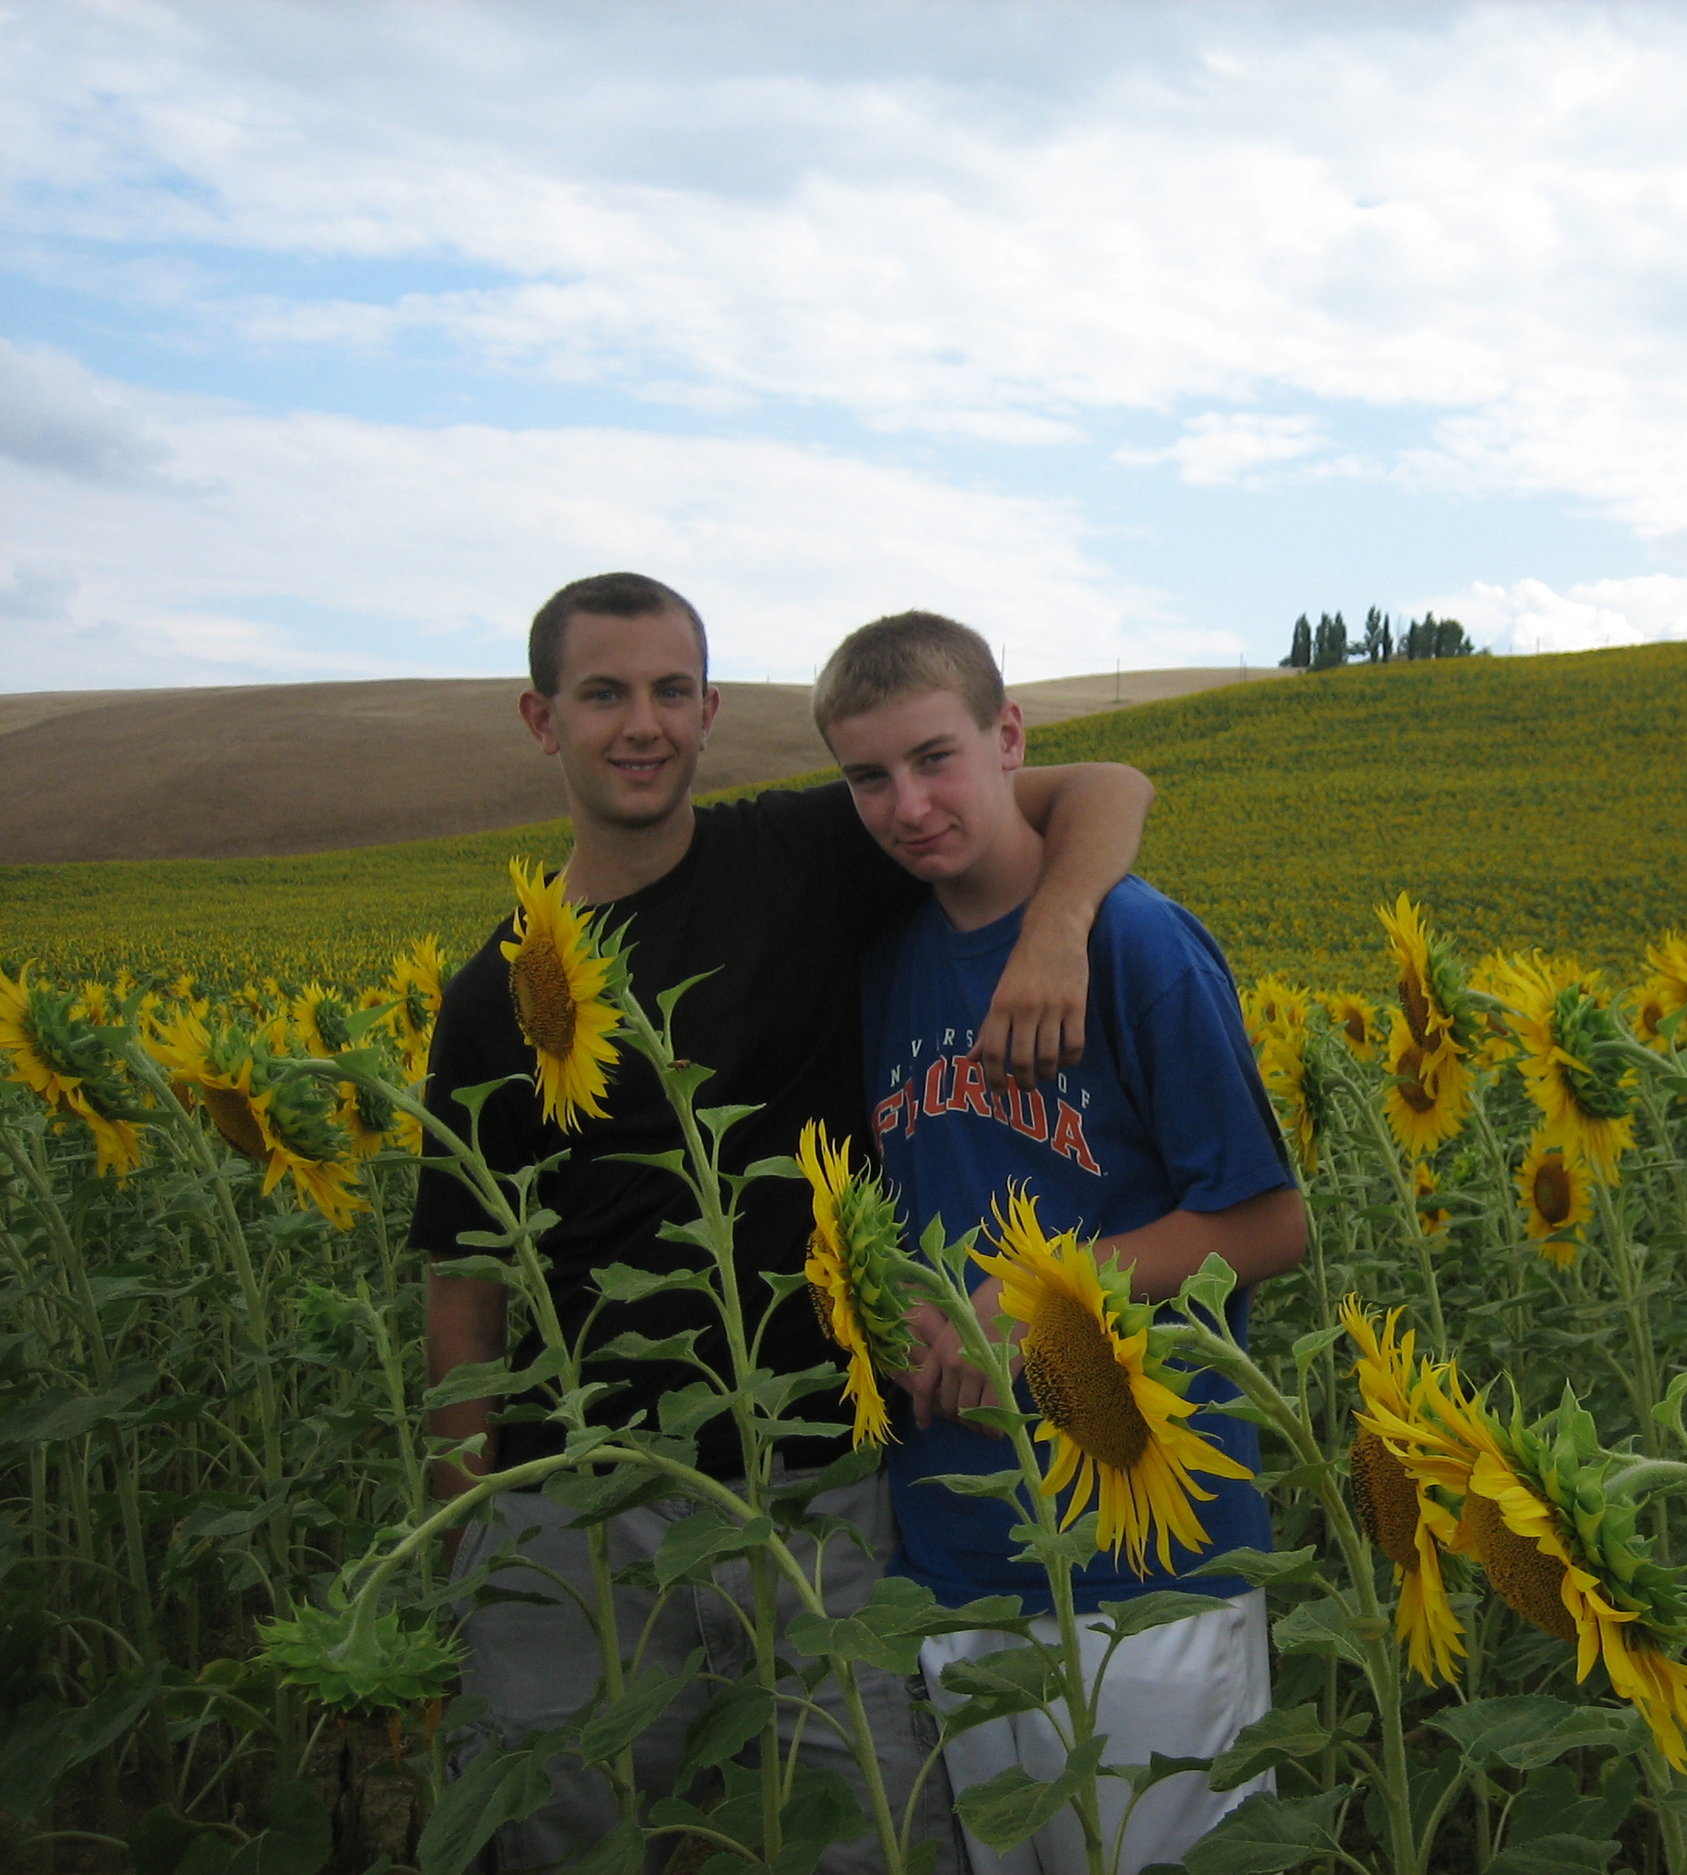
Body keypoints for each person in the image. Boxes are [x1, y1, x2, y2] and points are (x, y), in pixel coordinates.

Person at [416, 572, 1155, 1875]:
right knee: (557, 1823)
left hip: (822, 1476)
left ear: (707, 709)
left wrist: (1060, 923)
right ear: (543, 719)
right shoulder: (497, 993)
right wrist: (462, 1537)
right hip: (583, 1496)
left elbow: (1105, 787)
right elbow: (464, 1288)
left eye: (669, 690)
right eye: (604, 693)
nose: (640, 723)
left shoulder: (809, 855)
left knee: (874, 1826)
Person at [814, 610, 1307, 1875]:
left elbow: (1268, 1223)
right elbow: (917, 1207)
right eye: (869, 778)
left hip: (1151, 1555)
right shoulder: (881, 967)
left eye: (935, 758)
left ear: (1009, 737)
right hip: (960, 1546)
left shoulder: (1134, 941)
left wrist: (1043, 1302)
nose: (907, 804)